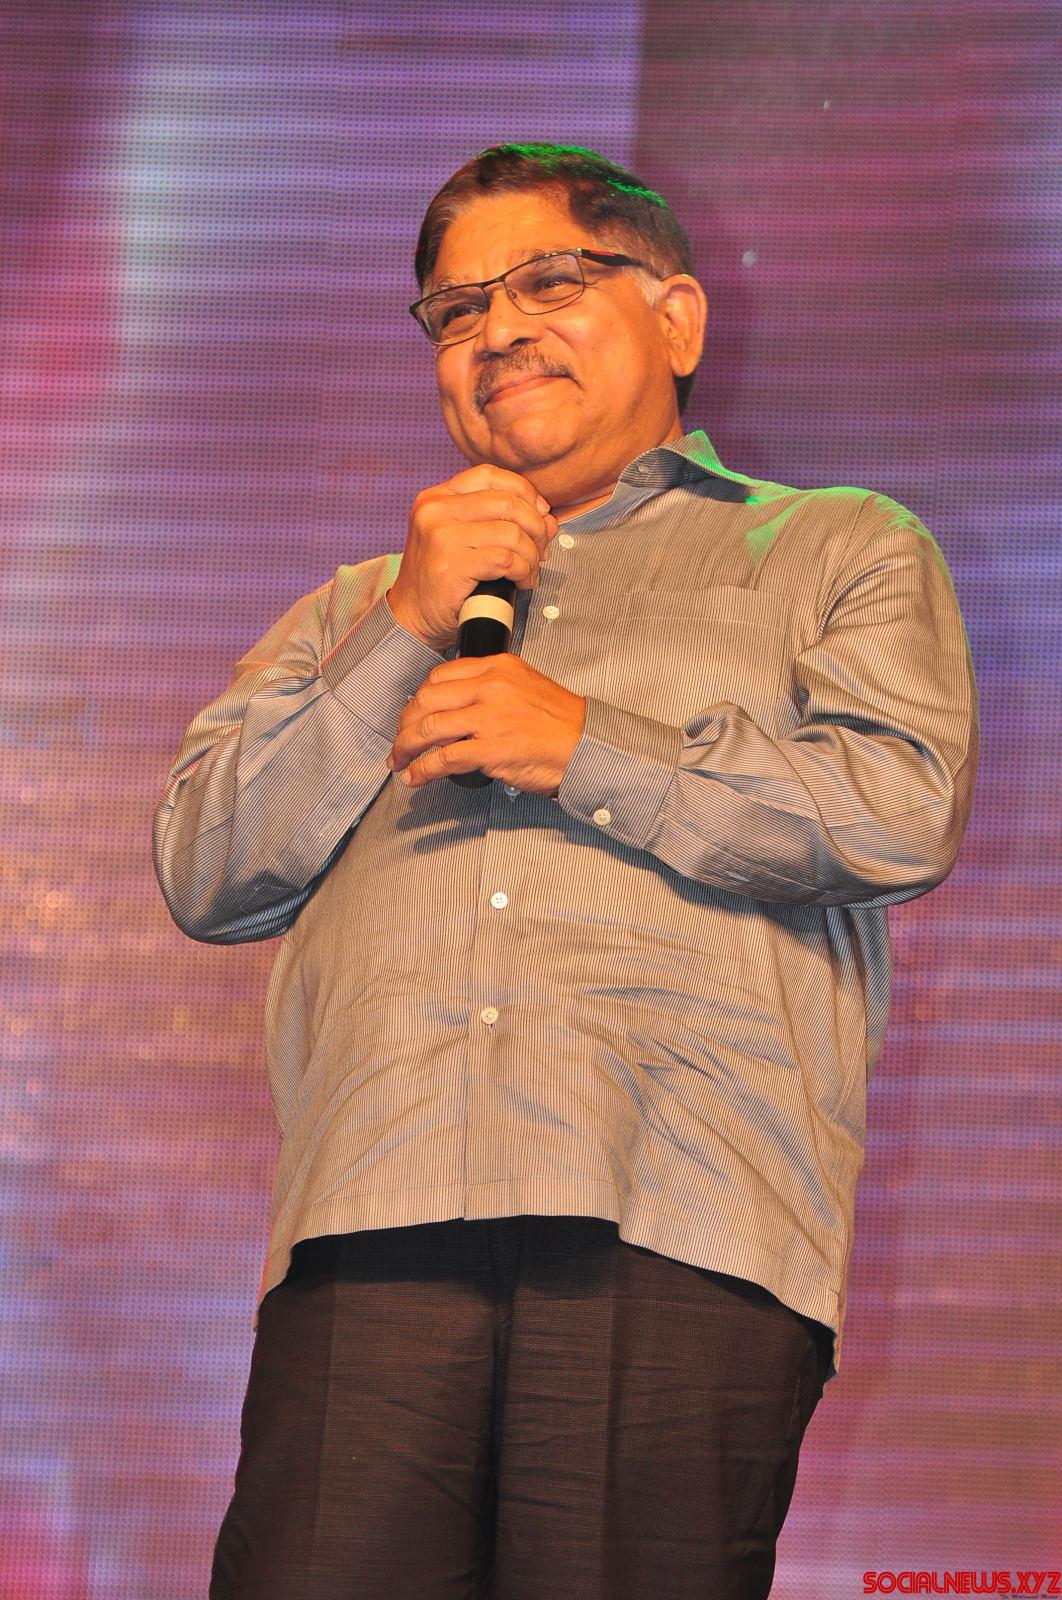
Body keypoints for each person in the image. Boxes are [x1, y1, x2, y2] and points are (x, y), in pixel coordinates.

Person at [152, 143, 979, 1599]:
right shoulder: (349, 610)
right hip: (375, 1217)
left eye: (549, 281)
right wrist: (406, 626)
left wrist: (585, 743)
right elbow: (209, 867)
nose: (498, 330)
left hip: (673, 1223)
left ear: (677, 318)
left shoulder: (836, 548)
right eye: (457, 309)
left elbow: (895, 813)